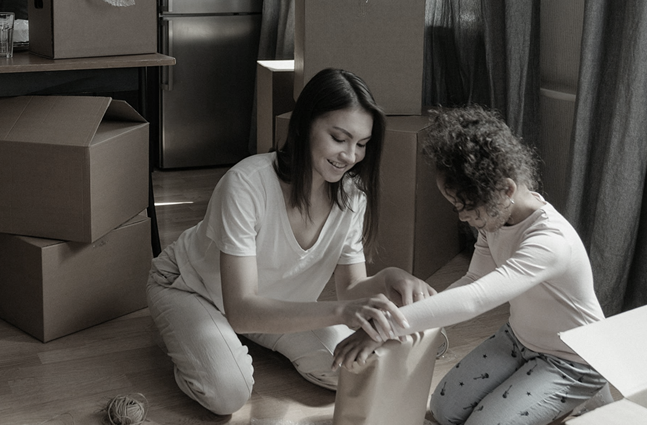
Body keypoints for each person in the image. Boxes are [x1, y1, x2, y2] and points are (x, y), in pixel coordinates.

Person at [146, 68, 435, 415]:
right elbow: (240, 310)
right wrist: (342, 313)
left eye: (361, 144)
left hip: (265, 301)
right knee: (228, 393)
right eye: (339, 138)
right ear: (305, 125)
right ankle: (190, 341)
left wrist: (389, 278)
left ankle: (241, 337)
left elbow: (351, 288)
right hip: (189, 287)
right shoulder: (247, 184)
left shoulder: (352, 197)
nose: (350, 156)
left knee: (356, 366)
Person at [333, 105, 609, 425]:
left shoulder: (550, 242)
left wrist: (385, 328)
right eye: (456, 207)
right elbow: (475, 277)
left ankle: (589, 397)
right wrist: (425, 319)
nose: (464, 217)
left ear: (505, 190)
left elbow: (476, 298)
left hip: (573, 360)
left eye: (468, 206)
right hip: (518, 339)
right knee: (443, 409)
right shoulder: (494, 218)